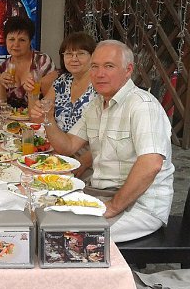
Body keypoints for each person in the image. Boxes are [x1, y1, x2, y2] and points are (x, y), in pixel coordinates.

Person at [31, 40, 174, 242]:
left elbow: (151, 164)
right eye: (95, 66)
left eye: (109, 66)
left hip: (139, 206)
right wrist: (48, 120)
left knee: (60, 239)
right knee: (39, 214)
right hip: (101, 194)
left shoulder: (143, 106)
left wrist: (113, 207)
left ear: (128, 70)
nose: (99, 74)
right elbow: (68, 146)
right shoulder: (97, 104)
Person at [27, 32, 97, 177]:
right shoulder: (62, 81)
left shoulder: (99, 85)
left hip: (89, 161)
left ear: (93, 57)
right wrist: (32, 93)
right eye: (69, 54)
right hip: (57, 152)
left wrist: (84, 162)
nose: (74, 59)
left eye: (81, 53)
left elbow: (106, 136)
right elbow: (38, 118)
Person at [0, 17, 57, 108]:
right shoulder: (1, 68)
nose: (16, 44)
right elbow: (0, 106)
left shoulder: (42, 61)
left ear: (30, 41)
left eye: (22, 40)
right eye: (11, 39)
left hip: (40, 114)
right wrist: (0, 84)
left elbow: (51, 100)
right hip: (10, 116)